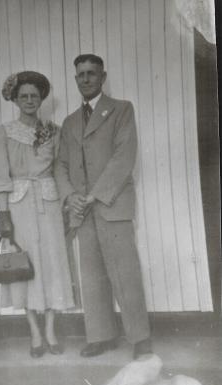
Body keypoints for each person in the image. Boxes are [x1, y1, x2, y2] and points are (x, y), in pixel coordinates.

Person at [55, 54, 151, 358]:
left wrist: (94, 195)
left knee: (125, 272)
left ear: (103, 77)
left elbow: (124, 157)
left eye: (91, 74)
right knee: (92, 275)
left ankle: (140, 338)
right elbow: (61, 165)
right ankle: (101, 336)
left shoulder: (121, 110)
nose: (85, 79)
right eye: (80, 74)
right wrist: (71, 195)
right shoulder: (69, 122)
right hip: (82, 210)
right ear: (74, 79)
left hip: (112, 204)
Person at [0, 71, 75, 358]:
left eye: (34, 96)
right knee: (24, 265)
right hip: (19, 205)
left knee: (52, 263)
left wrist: (66, 203)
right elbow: (1, 177)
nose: (29, 100)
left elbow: (60, 170)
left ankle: (50, 329)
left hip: (50, 203)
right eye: (23, 95)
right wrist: (4, 216)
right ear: (15, 99)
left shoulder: (53, 131)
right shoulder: (5, 131)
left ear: (41, 99)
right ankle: (34, 332)